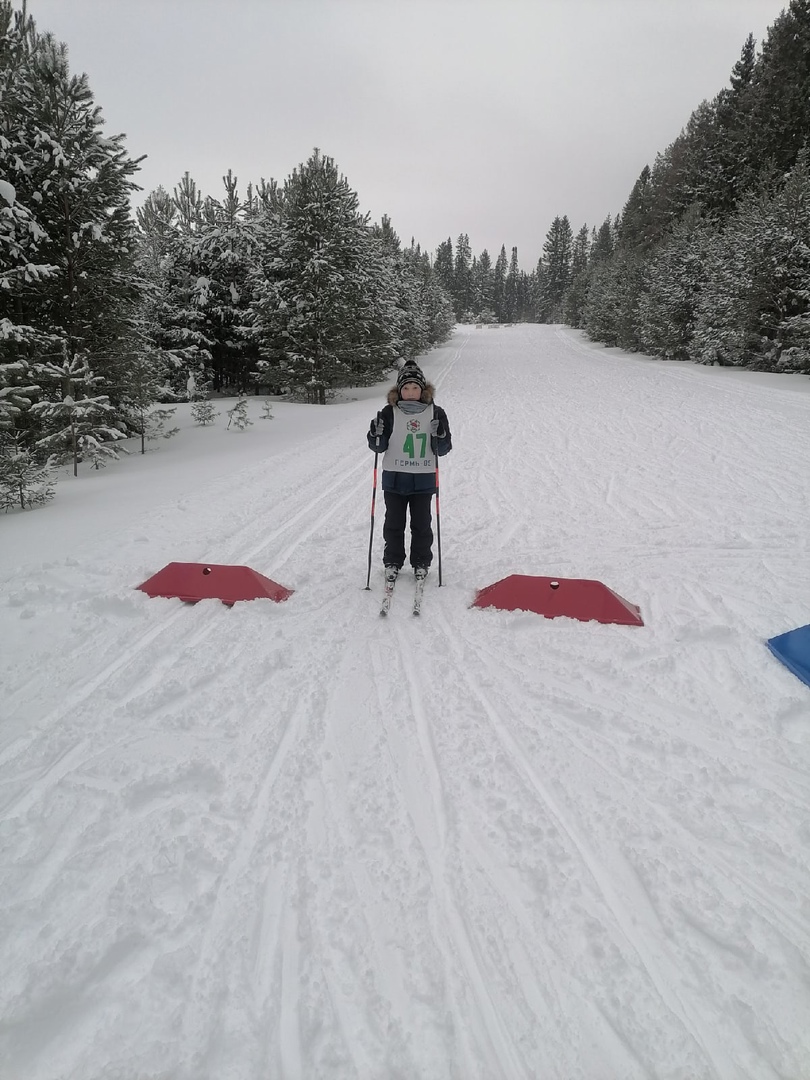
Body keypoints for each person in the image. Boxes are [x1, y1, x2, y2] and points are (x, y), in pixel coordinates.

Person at [367, 362, 452, 581]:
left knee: (421, 525)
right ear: (399, 390)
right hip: (395, 479)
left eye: (415, 388)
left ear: (423, 390)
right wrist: (375, 433)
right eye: (406, 388)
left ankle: (421, 562)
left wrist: (440, 435)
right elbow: (379, 446)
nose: (411, 393)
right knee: (393, 524)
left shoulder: (436, 412)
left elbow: (443, 449)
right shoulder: (389, 412)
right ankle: (392, 561)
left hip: (423, 480)